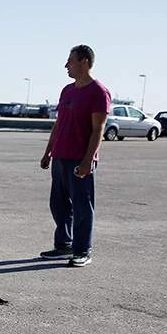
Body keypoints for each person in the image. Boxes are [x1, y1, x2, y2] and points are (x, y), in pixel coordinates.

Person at [39, 45, 110, 268]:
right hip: (60, 155)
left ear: (84, 62)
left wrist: (88, 160)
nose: (66, 65)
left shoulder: (98, 92)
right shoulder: (67, 91)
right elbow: (59, 123)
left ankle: (82, 250)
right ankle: (64, 245)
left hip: (80, 158)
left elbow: (98, 129)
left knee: (82, 206)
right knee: (58, 205)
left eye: (70, 61)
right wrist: (48, 151)